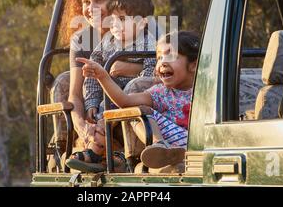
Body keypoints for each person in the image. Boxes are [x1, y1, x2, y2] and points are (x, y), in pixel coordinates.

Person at [52, 0, 145, 169]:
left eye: (99, 0)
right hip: (97, 111)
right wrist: (82, 126)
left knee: (135, 85)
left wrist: (127, 69)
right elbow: (75, 94)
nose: (91, 9)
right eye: (86, 2)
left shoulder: (139, 26)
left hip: (129, 106)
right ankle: (70, 148)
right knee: (63, 80)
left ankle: (131, 153)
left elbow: (160, 69)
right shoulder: (83, 38)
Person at [77, 31, 199, 170]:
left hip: (202, 143)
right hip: (174, 146)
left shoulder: (208, 89)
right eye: (159, 57)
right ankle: (159, 146)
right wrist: (103, 76)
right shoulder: (160, 92)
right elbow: (124, 101)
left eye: (170, 55)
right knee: (136, 111)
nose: (162, 62)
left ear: (193, 65)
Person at [65, 0, 157, 172]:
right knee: (100, 104)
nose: (114, 25)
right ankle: (103, 152)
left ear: (141, 24)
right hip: (107, 98)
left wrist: (131, 74)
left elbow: (151, 76)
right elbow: (92, 71)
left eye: (122, 20)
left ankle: (96, 152)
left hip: (133, 98)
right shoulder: (108, 41)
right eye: (113, 19)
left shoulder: (150, 44)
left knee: (132, 87)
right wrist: (91, 102)